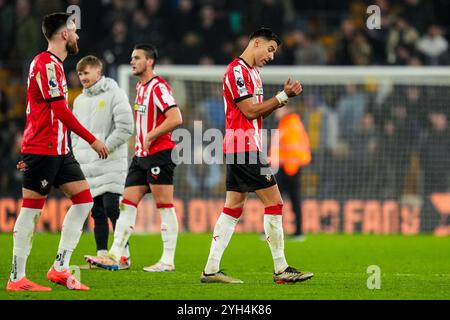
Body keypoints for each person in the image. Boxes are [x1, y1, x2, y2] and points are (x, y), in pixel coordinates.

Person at [200, 28, 313, 284]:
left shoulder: (254, 74)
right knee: (275, 203)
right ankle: (281, 269)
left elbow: (259, 114)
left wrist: (280, 102)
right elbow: (250, 111)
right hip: (244, 148)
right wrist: (282, 96)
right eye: (270, 50)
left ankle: (210, 270)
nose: (271, 56)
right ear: (257, 43)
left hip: (244, 147)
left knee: (232, 208)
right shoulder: (236, 71)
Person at [6, 12, 109, 292]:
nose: (77, 35)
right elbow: (59, 110)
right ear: (63, 34)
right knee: (31, 211)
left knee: (84, 200)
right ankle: (17, 277)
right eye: (73, 30)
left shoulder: (54, 66)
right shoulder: (46, 64)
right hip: (44, 150)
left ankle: (60, 268)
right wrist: (92, 140)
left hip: (59, 151)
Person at [84, 44, 183, 272]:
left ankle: (167, 261)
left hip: (159, 155)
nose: (132, 61)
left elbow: (175, 117)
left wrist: (151, 134)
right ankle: (116, 256)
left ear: (149, 61)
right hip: (141, 156)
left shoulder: (158, 87)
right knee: (127, 204)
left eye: (136, 58)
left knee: (164, 206)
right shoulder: (140, 87)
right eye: (131, 58)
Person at [72, 55, 133, 267]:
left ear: (98, 72)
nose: (82, 78)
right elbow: (75, 133)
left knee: (111, 208)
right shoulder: (79, 101)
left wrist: (107, 146)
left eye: (86, 73)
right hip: (87, 165)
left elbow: (126, 127)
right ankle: (102, 254)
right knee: (96, 210)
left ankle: (123, 255)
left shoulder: (115, 94)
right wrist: (76, 154)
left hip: (110, 161)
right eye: (80, 74)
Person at [270, 105, 311, 240]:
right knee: (284, 199)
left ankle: (297, 231)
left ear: (287, 109)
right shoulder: (287, 123)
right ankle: (291, 231)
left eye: (279, 109)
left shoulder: (291, 124)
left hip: (289, 167)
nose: (277, 112)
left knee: (288, 199)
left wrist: (290, 168)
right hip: (284, 166)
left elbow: (293, 150)